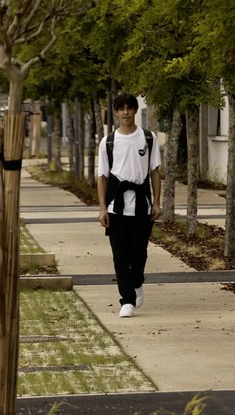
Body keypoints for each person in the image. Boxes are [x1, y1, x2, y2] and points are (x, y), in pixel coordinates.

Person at [97, 93, 162, 318]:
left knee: (139, 253)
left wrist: (157, 202)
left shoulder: (148, 138)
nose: (125, 112)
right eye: (121, 109)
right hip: (116, 206)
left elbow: (155, 171)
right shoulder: (108, 142)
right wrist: (102, 207)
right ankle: (127, 300)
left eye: (129, 108)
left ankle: (137, 281)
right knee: (120, 256)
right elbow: (102, 176)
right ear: (115, 112)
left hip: (141, 206)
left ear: (135, 111)